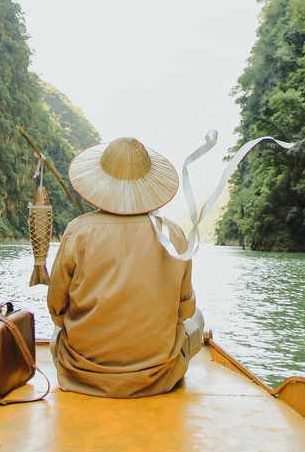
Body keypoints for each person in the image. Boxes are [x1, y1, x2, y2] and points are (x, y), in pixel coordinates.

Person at [47, 136, 205, 398]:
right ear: (147, 185)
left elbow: (56, 308)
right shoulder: (174, 235)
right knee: (197, 317)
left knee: (59, 326)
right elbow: (185, 310)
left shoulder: (78, 231)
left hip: (81, 373)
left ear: (102, 182)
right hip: (157, 377)